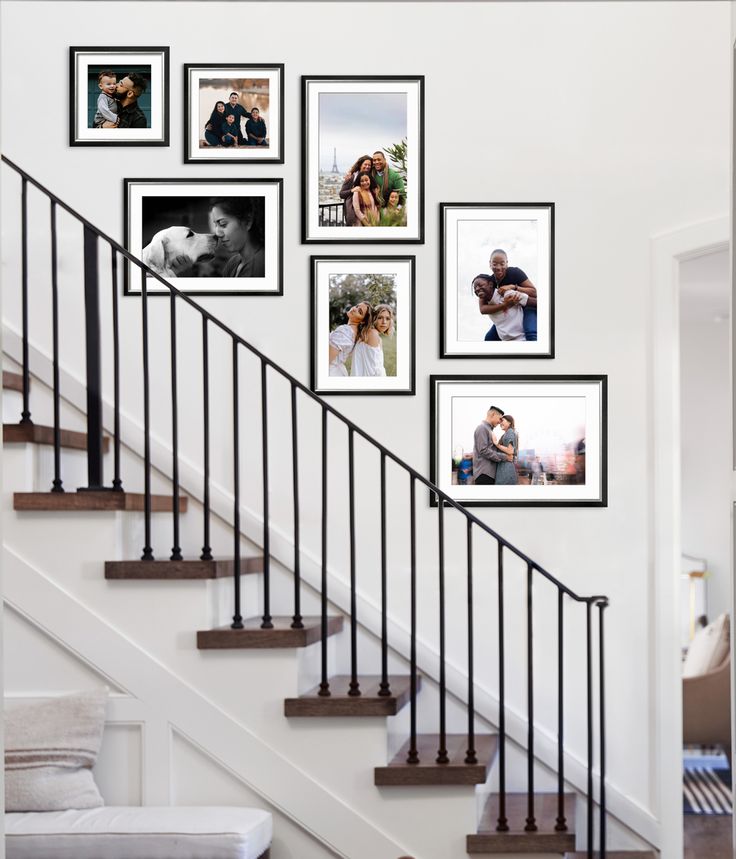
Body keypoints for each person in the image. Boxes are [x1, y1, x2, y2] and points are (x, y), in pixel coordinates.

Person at [483, 249, 538, 342]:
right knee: (489, 338)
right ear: (490, 264)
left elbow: (534, 292)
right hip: (512, 313)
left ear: (507, 263)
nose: (498, 267)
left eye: (502, 263)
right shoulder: (490, 281)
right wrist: (504, 305)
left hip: (527, 307)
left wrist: (513, 287)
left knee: (530, 332)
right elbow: (483, 306)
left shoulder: (515, 272)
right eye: (495, 264)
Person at [210, 198, 265, 277]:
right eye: (215, 225)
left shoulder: (262, 265)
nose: (218, 233)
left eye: (223, 224)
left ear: (247, 221)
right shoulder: (233, 263)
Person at [472, 274, 528, 341]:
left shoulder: (507, 294)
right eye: (475, 288)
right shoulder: (485, 301)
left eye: (480, 285)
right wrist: (505, 305)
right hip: (505, 341)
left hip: (521, 339)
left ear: (490, 284)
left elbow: (532, 300)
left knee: (532, 333)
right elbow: (482, 310)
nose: (477, 289)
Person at [328, 301, 374, 376]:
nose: (354, 309)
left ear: (362, 321)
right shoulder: (356, 334)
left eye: (360, 312)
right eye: (356, 306)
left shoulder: (345, 331)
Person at [472, 405, 512, 485]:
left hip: (488, 474)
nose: (500, 422)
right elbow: (483, 450)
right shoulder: (482, 428)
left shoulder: (488, 430)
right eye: (500, 419)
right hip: (484, 474)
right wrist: (505, 457)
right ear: (493, 414)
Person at [351, 303, 393, 377]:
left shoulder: (375, 336)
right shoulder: (372, 334)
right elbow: (374, 370)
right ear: (374, 319)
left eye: (387, 318)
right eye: (380, 317)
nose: (384, 322)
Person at [339, 155, 373, 226]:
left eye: (369, 165)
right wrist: (352, 190)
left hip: (367, 214)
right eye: (365, 164)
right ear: (360, 165)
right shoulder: (352, 177)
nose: (367, 166)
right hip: (354, 215)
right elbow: (341, 194)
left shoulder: (370, 176)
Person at [491, 415, 519, 485]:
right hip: (504, 467)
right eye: (500, 422)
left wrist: (496, 444)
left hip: (506, 468)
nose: (500, 423)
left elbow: (510, 451)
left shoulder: (510, 432)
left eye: (502, 421)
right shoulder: (507, 433)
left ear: (509, 422)